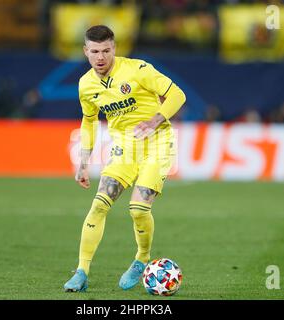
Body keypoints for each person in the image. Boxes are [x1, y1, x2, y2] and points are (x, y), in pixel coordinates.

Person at [64, 25, 186, 292]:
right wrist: (83, 162)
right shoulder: (86, 85)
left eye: (106, 50)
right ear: (86, 52)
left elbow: (178, 94)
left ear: (114, 49)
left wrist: (155, 120)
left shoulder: (138, 69)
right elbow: (88, 121)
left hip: (158, 143)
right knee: (99, 205)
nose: (101, 57)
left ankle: (142, 259)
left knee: (138, 209)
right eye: (95, 51)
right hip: (124, 148)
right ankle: (82, 272)